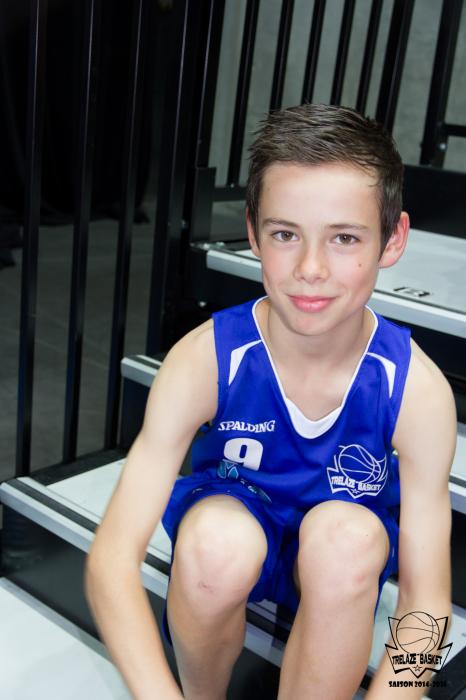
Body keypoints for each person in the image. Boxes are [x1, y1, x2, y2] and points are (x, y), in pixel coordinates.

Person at [85, 104, 456, 699]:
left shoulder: (416, 389)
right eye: (286, 234)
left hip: (338, 562)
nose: (311, 269)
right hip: (235, 531)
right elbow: (110, 561)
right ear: (254, 233)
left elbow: (428, 603)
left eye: (344, 238)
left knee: (348, 540)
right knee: (215, 545)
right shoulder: (206, 359)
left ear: (393, 240)